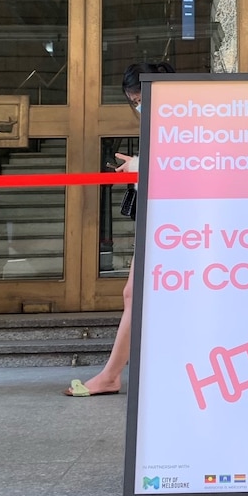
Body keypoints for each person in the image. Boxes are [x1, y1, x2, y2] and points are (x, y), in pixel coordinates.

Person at [64, 61, 175, 397]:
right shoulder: (168, 118)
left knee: (137, 294)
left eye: (140, 96)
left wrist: (137, 166)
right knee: (136, 294)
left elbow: (175, 164)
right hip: (165, 220)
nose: (138, 104)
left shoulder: (176, 119)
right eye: (133, 98)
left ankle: (113, 375)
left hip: (171, 221)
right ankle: (115, 373)